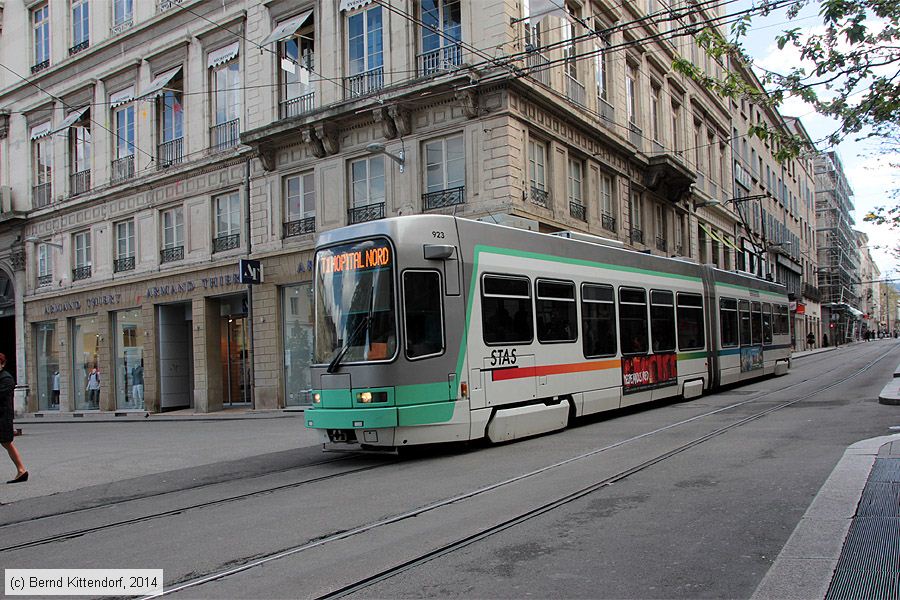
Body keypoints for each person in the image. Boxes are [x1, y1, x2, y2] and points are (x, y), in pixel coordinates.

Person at [0, 353, 27, 484]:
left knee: (6, 442)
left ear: (2, 364)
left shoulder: (6, 379)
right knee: (6, 443)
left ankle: (21, 470)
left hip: (3, 417)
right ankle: (21, 470)